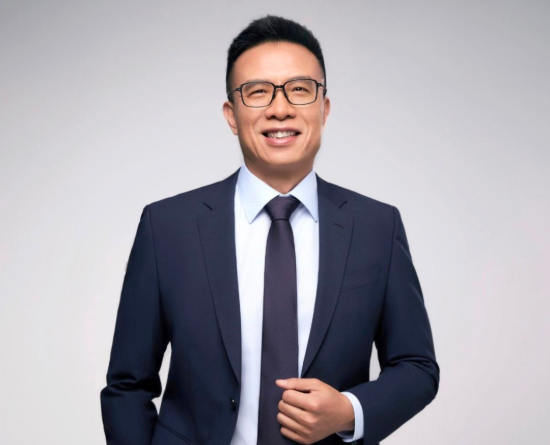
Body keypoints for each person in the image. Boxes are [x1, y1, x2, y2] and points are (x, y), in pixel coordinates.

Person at [100, 14, 440, 445]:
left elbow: (416, 367)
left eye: (300, 89)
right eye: (258, 91)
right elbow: (127, 384)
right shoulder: (167, 227)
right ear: (232, 114)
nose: (280, 108)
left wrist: (348, 411)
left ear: (324, 108)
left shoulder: (377, 226)